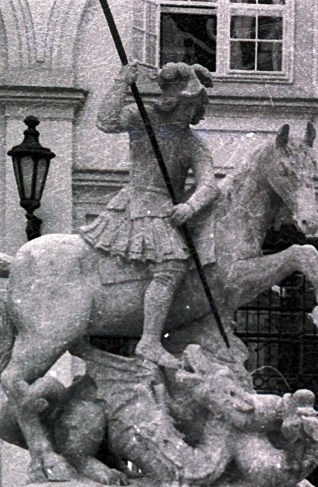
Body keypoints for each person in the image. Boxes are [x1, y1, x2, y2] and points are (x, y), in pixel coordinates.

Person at [82, 60, 218, 368]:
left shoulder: (191, 142)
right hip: (138, 203)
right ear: (173, 101)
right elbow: (105, 121)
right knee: (171, 264)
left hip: (165, 208)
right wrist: (121, 83)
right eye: (187, 105)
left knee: (170, 265)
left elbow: (210, 184)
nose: (190, 113)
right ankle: (150, 341)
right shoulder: (142, 117)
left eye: (195, 107)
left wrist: (190, 206)